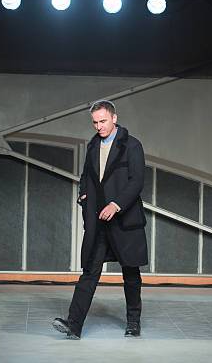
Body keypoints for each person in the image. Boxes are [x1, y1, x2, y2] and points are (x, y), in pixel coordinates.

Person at [52, 99, 148, 339]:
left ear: (114, 118)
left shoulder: (132, 146)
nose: (98, 126)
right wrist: (84, 195)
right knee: (89, 272)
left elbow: (136, 181)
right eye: (95, 122)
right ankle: (74, 325)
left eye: (103, 121)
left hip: (124, 220)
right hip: (99, 221)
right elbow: (86, 175)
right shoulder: (93, 146)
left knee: (131, 272)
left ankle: (133, 322)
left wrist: (116, 204)